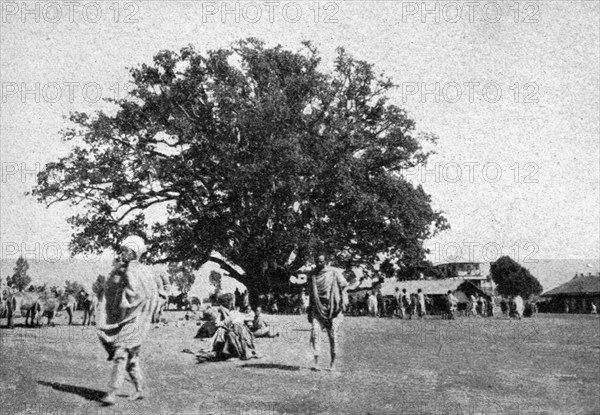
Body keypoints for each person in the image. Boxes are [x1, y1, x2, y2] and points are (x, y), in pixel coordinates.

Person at [97, 235, 158, 405]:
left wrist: (122, 300)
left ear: (133, 253)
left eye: (126, 250)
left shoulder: (132, 270)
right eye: (122, 250)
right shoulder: (137, 270)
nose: (122, 253)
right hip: (136, 321)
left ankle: (111, 392)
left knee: (120, 354)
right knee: (131, 358)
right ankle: (139, 389)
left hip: (132, 320)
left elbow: (135, 294)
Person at [307, 251, 355, 371]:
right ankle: (316, 362)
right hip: (317, 309)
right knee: (315, 334)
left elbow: (344, 286)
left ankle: (332, 364)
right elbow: (311, 293)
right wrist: (309, 309)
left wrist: (344, 299)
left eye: (321, 261)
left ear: (326, 261)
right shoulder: (312, 274)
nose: (318, 263)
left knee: (333, 337)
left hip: (333, 310)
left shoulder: (334, 272)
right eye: (317, 261)